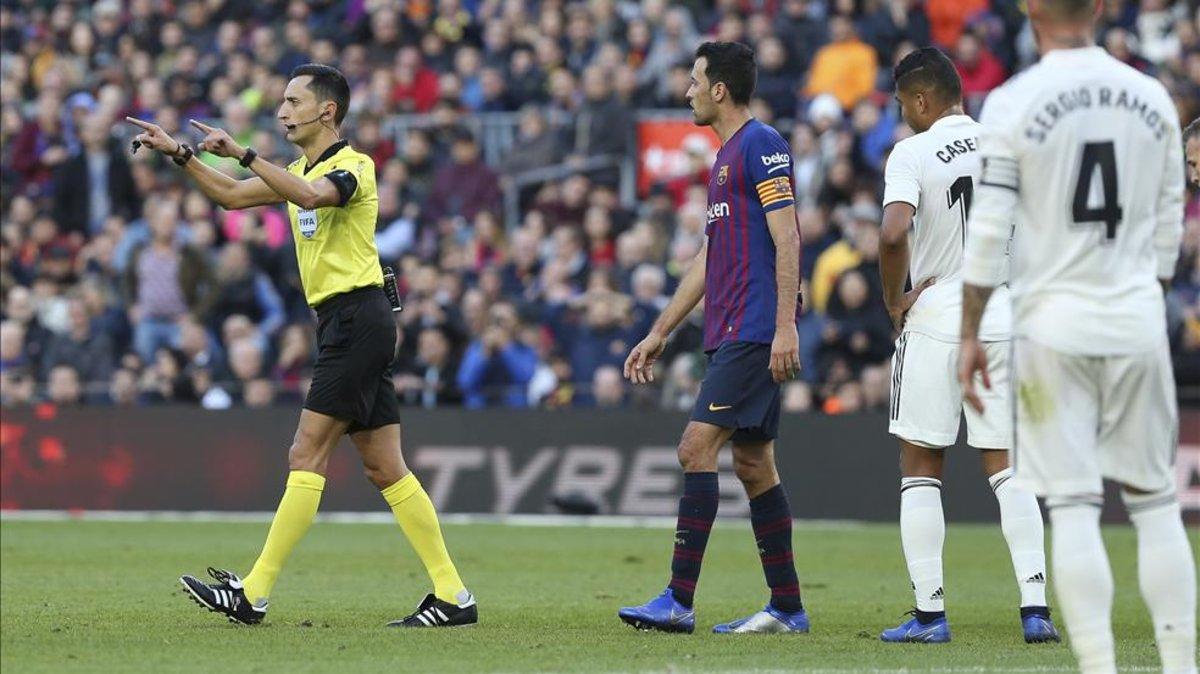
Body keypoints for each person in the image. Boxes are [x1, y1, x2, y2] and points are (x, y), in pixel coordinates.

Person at [126, 63, 476, 628]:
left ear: (327, 110)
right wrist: (181, 155)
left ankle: (253, 592)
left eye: (293, 102)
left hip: (357, 318)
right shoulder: (293, 171)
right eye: (283, 102)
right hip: (345, 322)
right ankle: (454, 595)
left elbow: (312, 198)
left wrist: (244, 153)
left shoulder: (354, 166)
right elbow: (232, 197)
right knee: (385, 466)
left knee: (305, 454)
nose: (282, 111)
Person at [958, 2, 1195, 672]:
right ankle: (1181, 664)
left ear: (1031, 9)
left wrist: (971, 332)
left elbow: (988, 232)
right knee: (1156, 505)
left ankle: (1098, 666)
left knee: (1073, 506)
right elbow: (1169, 223)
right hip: (1136, 317)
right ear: (1098, 7)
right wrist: (1142, 292)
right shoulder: (1152, 97)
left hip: (1050, 327)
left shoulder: (1013, 101)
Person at [617, 42, 807, 635]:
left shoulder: (762, 145)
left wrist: (784, 325)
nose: (687, 92)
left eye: (694, 81)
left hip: (754, 327)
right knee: (752, 463)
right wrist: (660, 331)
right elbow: (709, 256)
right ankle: (787, 607)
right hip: (731, 328)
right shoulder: (725, 157)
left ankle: (678, 599)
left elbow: (788, 237)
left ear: (719, 89)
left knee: (694, 448)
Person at [877, 47, 1057, 645]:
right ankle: (1036, 608)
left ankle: (929, 615)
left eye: (903, 103)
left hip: (936, 315)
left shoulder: (912, 152)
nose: (903, 114)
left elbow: (894, 232)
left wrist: (894, 299)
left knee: (920, 467)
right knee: (1007, 468)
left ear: (922, 99)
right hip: (1002, 314)